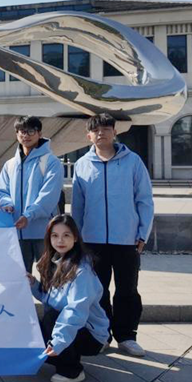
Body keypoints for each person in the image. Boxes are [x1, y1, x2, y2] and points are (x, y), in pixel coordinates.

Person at [71, 113, 154, 358]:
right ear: (89, 135)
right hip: (92, 240)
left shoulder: (133, 161)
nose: (101, 133)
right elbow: (78, 205)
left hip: (127, 239)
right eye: (96, 130)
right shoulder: (82, 165)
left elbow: (144, 199)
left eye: (106, 129)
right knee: (99, 291)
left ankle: (127, 336)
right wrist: (77, 238)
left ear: (115, 132)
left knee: (128, 289)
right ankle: (103, 335)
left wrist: (143, 233)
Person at [29, 214, 109, 382]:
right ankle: (60, 356)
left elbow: (75, 311)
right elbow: (51, 299)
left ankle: (72, 370)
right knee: (36, 320)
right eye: (55, 235)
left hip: (91, 334)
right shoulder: (54, 262)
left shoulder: (82, 271)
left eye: (66, 235)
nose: (60, 240)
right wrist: (34, 284)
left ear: (75, 238)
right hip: (70, 327)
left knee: (52, 317)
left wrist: (58, 342)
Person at [0, 116, 64, 272]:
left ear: (39, 133)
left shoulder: (51, 162)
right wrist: (6, 205)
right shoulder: (10, 164)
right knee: (20, 278)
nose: (26, 135)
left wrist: (28, 215)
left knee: (49, 276)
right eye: (22, 131)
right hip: (17, 232)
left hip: (44, 231)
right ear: (16, 134)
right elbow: (2, 191)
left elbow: (49, 195)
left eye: (31, 131)